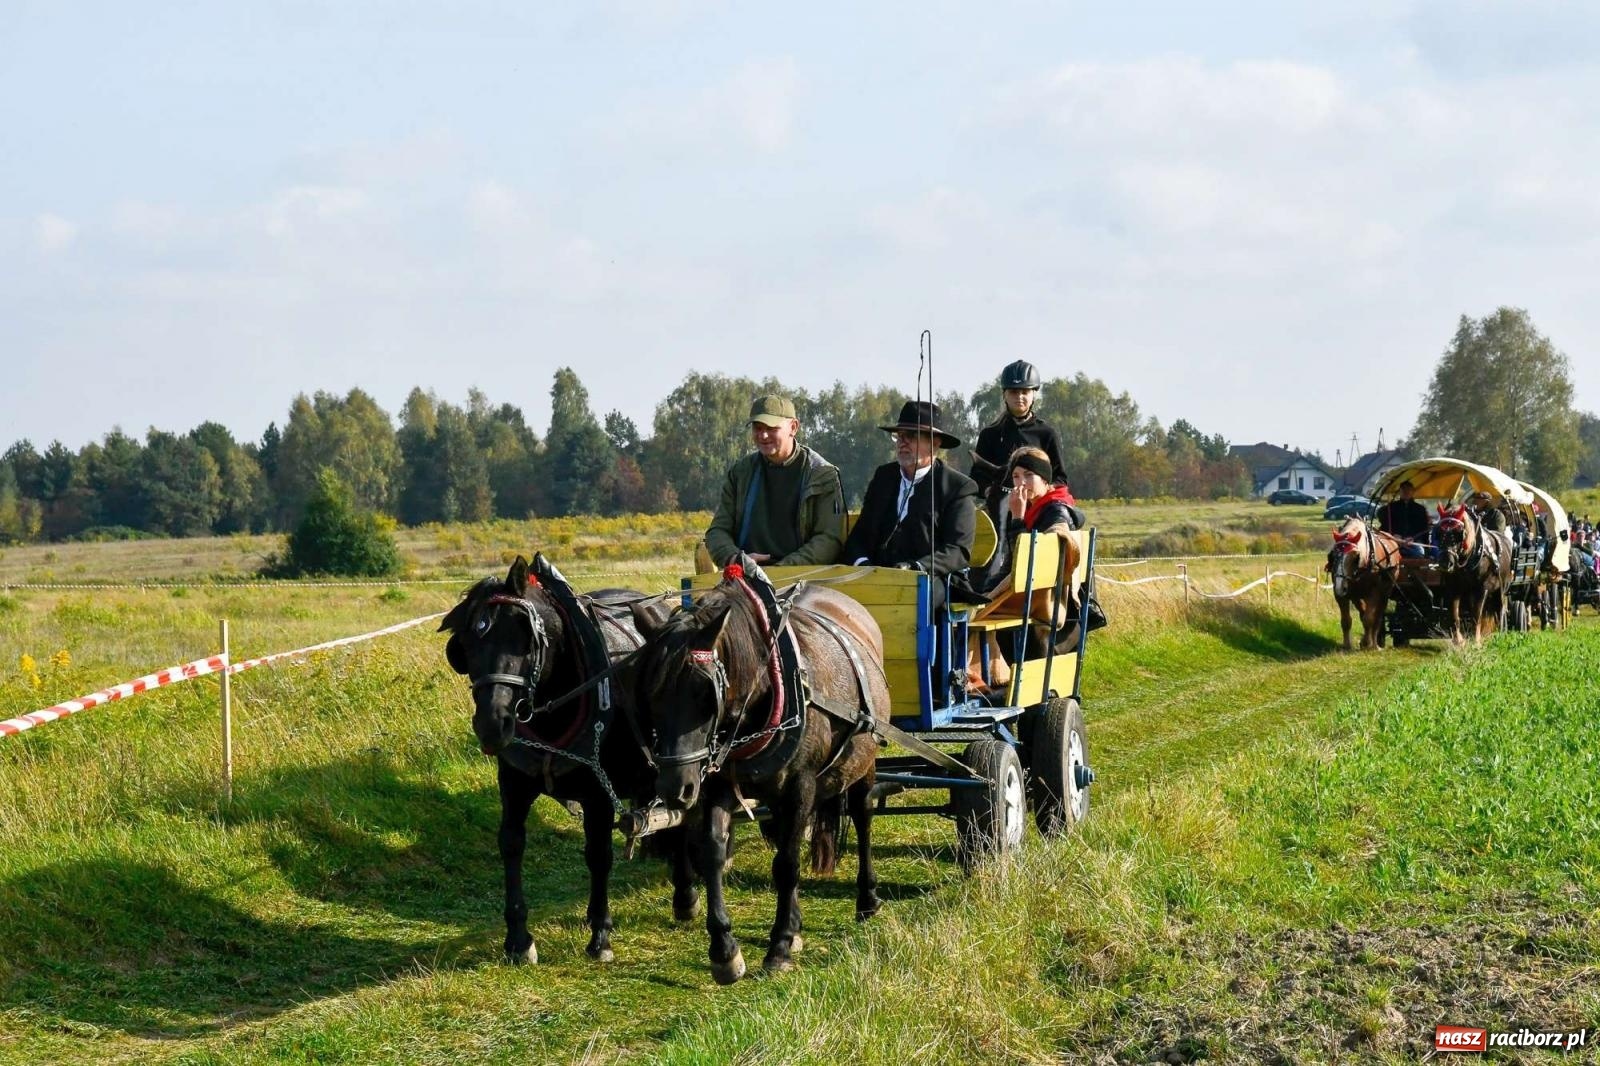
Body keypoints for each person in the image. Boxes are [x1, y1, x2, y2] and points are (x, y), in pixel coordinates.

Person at [842, 400, 977, 611]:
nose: (902, 442)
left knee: (912, 601)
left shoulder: (957, 487)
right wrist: (862, 565)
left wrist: (916, 567)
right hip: (877, 575)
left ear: (934, 443)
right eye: (899, 436)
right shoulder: (883, 477)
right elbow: (859, 536)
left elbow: (958, 550)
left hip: (931, 579)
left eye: (912, 436)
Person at [704, 395, 845, 569]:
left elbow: (829, 539)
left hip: (803, 579)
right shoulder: (740, 472)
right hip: (744, 574)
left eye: (772, 428)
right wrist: (736, 560)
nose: (763, 435)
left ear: (793, 427)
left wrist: (781, 570)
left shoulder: (822, 474)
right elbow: (718, 531)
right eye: (757, 428)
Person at [968, 360, 1067, 514]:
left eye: (1024, 392)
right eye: (1013, 392)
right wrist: (990, 492)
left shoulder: (1047, 433)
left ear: (1033, 394)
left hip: (1037, 510)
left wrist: (1037, 493)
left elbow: (1060, 478)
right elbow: (977, 477)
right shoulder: (990, 434)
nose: (1019, 397)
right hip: (1000, 509)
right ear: (1004, 395)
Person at [1378, 480, 1432, 558]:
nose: (1406, 492)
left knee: (1419, 553)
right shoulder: (1390, 507)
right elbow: (1384, 524)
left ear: (1413, 491)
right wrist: (1393, 535)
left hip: (1413, 542)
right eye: (1403, 489)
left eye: (1408, 489)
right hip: (1393, 541)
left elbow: (1424, 529)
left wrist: (1413, 538)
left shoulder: (1420, 509)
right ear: (1400, 491)